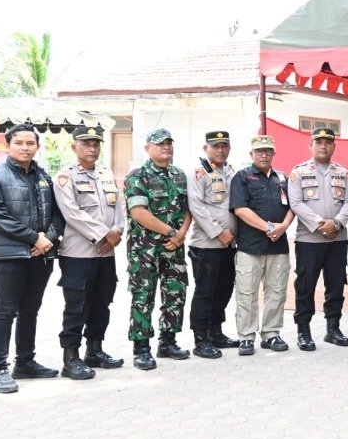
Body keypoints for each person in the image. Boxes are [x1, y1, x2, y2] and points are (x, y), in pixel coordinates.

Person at [0, 124, 65, 393]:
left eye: (30, 143)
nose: (25, 148)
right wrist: (34, 238)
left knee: (30, 310)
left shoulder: (44, 177)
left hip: (42, 254)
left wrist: (48, 239)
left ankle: (25, 362)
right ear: (8, 145)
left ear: (37, 147)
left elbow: (58, 213)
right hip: (9, 254)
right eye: (19, 143)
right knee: (6, 310)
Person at [53, 125, 125, 380]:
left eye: (96, 144)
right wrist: (105, 234)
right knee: (77, 306)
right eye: (86, 144)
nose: (92, 149)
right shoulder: (65, 177)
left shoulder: (106, 175)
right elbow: (72, 213)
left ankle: (95, 350)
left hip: (106, 254)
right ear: (74, 147)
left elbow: (118, 209)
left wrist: (117, 232)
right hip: (78, 254)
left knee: (102, 303)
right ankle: (71, 358)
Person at [125, 128, 193, 370]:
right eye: (160, 143)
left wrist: (181, 234)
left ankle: (167, 342)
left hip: (174, 247)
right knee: (143, 297)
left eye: (169, 143)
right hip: (145, 249)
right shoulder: (137, 176)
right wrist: (172, 233)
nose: (166, 147)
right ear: (147, 148)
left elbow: (188, 208)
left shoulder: (179, 175)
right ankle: (141, 348)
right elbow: (139, 213)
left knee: (175, 293)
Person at [287, 128, 348, 352]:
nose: (323, 146)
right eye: (318, 142)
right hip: (309, 240)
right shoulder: (298, 172)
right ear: (311, 145)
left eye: (327, 142)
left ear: (334, 146)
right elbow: (296, 203)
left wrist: (336, 223)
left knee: (335, 285)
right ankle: (303, 332)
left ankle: (333, 329)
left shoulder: (343, 172)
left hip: (337, 239)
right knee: (305, 286)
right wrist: (321, 224)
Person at [230, 135, 294, 356]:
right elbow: (240, 209)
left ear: (274, 153)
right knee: (246, 294)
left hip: (278, 246)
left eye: (268, 151)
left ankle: (271, 334)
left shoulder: (282, 178)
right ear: (252, 154)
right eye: (259, 151)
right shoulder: (242, 177)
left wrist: (283, 226)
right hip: (250, 247)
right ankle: (246, 337)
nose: (264, 155)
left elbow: (292, 206)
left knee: (277, 293)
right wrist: (268, 228)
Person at [187, 130, 240, 360]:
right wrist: (219, 232)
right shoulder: (199, 173)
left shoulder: (231, 172)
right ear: (205, 148)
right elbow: (196, 207)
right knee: (205, 293)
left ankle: (216, 333)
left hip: (229, 246)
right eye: (215, 146)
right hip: (206, 246)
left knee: (223, 291)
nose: (220, 150)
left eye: (224, 146)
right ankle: (201, 339)